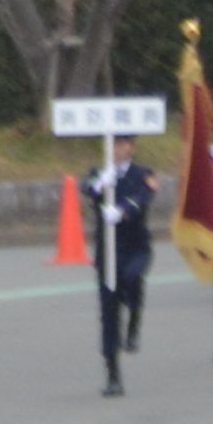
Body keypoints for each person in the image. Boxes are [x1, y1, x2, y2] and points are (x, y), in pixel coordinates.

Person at [85, 139, 161, 396]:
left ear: (132, 147)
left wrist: (124, 209)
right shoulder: (99, 172)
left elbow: (146, 194)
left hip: (135, 245)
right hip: (107, 250)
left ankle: (134, 321)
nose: (117, 150)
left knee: (132, 279)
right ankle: (113, 374)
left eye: (122, 144)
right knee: (108, 311)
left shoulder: (143, 173)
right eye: (113, 144)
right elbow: (88, 190)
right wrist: (100, 184)